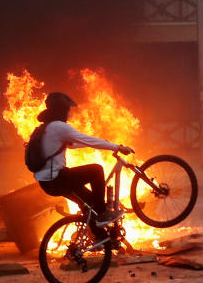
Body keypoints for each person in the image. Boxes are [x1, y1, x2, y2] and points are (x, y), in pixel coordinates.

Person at [31, 92, 134, 243]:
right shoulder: (59, 127)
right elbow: (86, 139)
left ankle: (100, 237)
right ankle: (103, 212)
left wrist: (103, 144)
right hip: (58, 179)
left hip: (48, 182)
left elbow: (74, 144)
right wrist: (116, 147)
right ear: (61, 110)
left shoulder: (45, 128)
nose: (69, 113)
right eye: (67, 110)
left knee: (88, 203)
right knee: (96, 170)